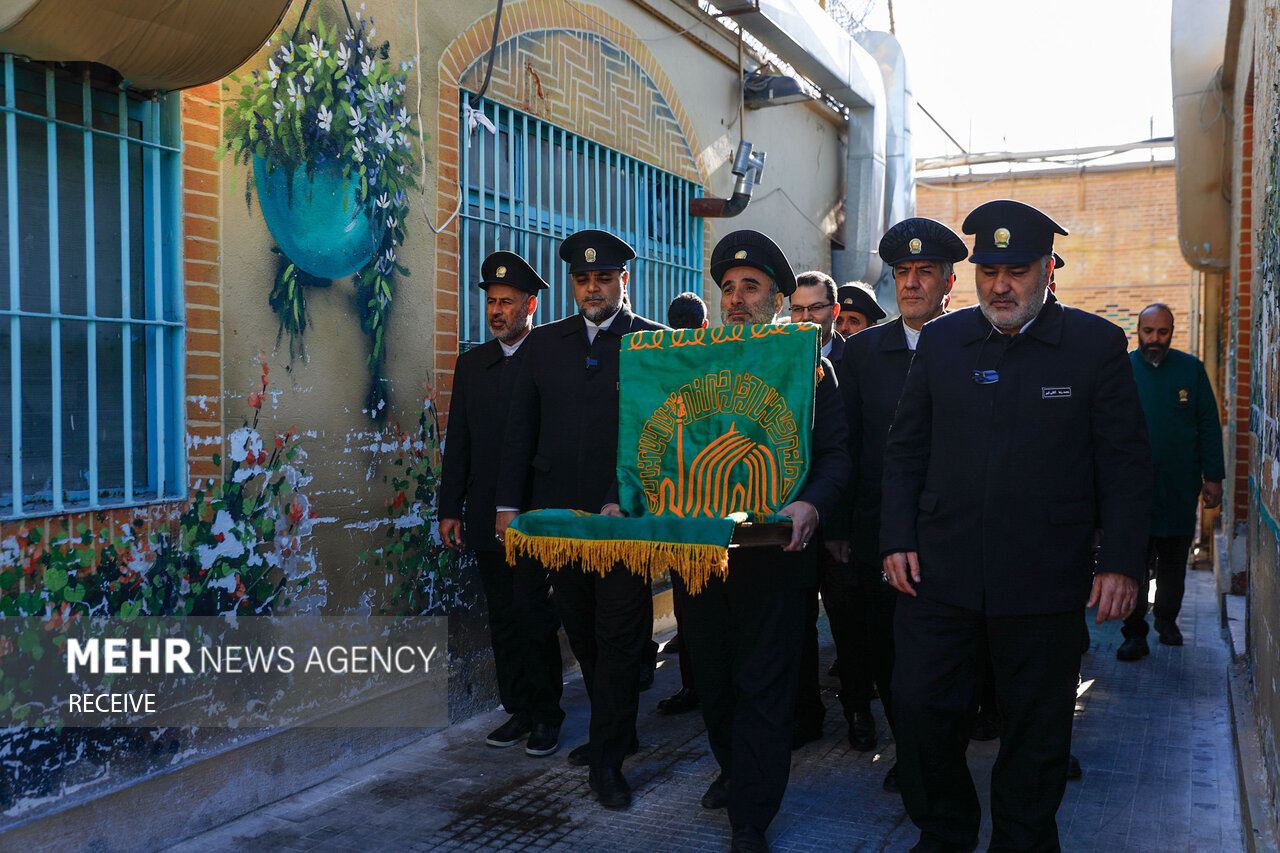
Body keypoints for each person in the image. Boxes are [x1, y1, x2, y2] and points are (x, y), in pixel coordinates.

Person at [880, 199, 1152, 852]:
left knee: (1037, 729)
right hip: (939, 574)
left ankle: (1023, 839)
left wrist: (1120, 563)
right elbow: (906, 448)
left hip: (1043, 579)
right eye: (989, 270)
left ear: (1047, 271)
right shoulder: (944, 342)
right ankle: (945, 830)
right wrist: (895, 537)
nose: (1001, 285)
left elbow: (1126, 463)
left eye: (1017, 270)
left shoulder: (1094, 346)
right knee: (918, 708)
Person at [674, 230, 850, 853]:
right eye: (728, 288)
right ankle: (736, 768)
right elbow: (660, 440)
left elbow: (835, 458)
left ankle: (752, 815)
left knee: (764, 685)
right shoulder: (691, 363)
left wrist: (811, 504)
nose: (737, 298)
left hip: (774, 559)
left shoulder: (811, 369)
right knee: (716, 683)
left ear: (778, 299)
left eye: (751, 287)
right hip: (701, 555)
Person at [495, 229, 667, 810]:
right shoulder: (545, 344)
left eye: (604, 278)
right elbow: (520, 430)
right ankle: (613, 730)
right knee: (585, 634)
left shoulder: (657, 343)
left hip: (624, 522)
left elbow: (668, 439)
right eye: (582, 279)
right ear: (573, 284)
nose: (592, 288)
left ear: (625, 280)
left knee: (621, 638)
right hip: (558, 522)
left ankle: (609, 757)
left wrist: (639, 497)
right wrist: (509, 508)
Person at [832, 217, 966, 793]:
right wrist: (839, 526)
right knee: (887, 654)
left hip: (954, 534)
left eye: (925, 272)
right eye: (903, 272)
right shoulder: (860, 353)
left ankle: (937, 755)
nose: (911, 283)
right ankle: (909, 751)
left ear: (948, 282)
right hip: (877, 532)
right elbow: (843, 445)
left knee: (949, 660)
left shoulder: (975, 343)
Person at [438, 251, 564, 756]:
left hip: (535, 515)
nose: (496, 311)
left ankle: (547, 715)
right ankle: (518, 709)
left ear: (530, 304)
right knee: (503, 618)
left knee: (535, 614)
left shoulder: (550, 358)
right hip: (485, 515)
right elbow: (460, 443)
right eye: (491, 302)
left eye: (507, 302)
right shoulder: (473, 364)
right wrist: (450, 508)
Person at [1117, 302, 1225, 659]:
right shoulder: (1122, 370)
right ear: (1138, 331)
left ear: (1171, 332)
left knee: (1174, 563)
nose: (1155, 339)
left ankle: (1166, 621)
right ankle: (1134, 632)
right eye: (1149, 331)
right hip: (1134, 491)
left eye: (1162, 332)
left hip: (1179, 488)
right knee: (1134, 563)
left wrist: (1214, 478)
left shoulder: (1190, 371)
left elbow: (1208, 425)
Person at [789, 270, 850, 748]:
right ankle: (805, 714)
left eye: (816, 308)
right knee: (799, 624)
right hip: (795, 521)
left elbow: (855, 450)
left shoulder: (858, 359)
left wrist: (841, 522)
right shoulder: (782, 358)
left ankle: (857, 711)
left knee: (850, 623)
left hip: (845, 521)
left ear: (834, 309)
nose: (807, 316)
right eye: (798, 308)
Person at [653, 291, 710, 718]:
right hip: (703, 509)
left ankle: (696, 687)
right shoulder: (717, 361)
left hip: (682, 508)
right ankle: (701, 686)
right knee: (696, 607)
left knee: (692, 608)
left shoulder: (661, 365)